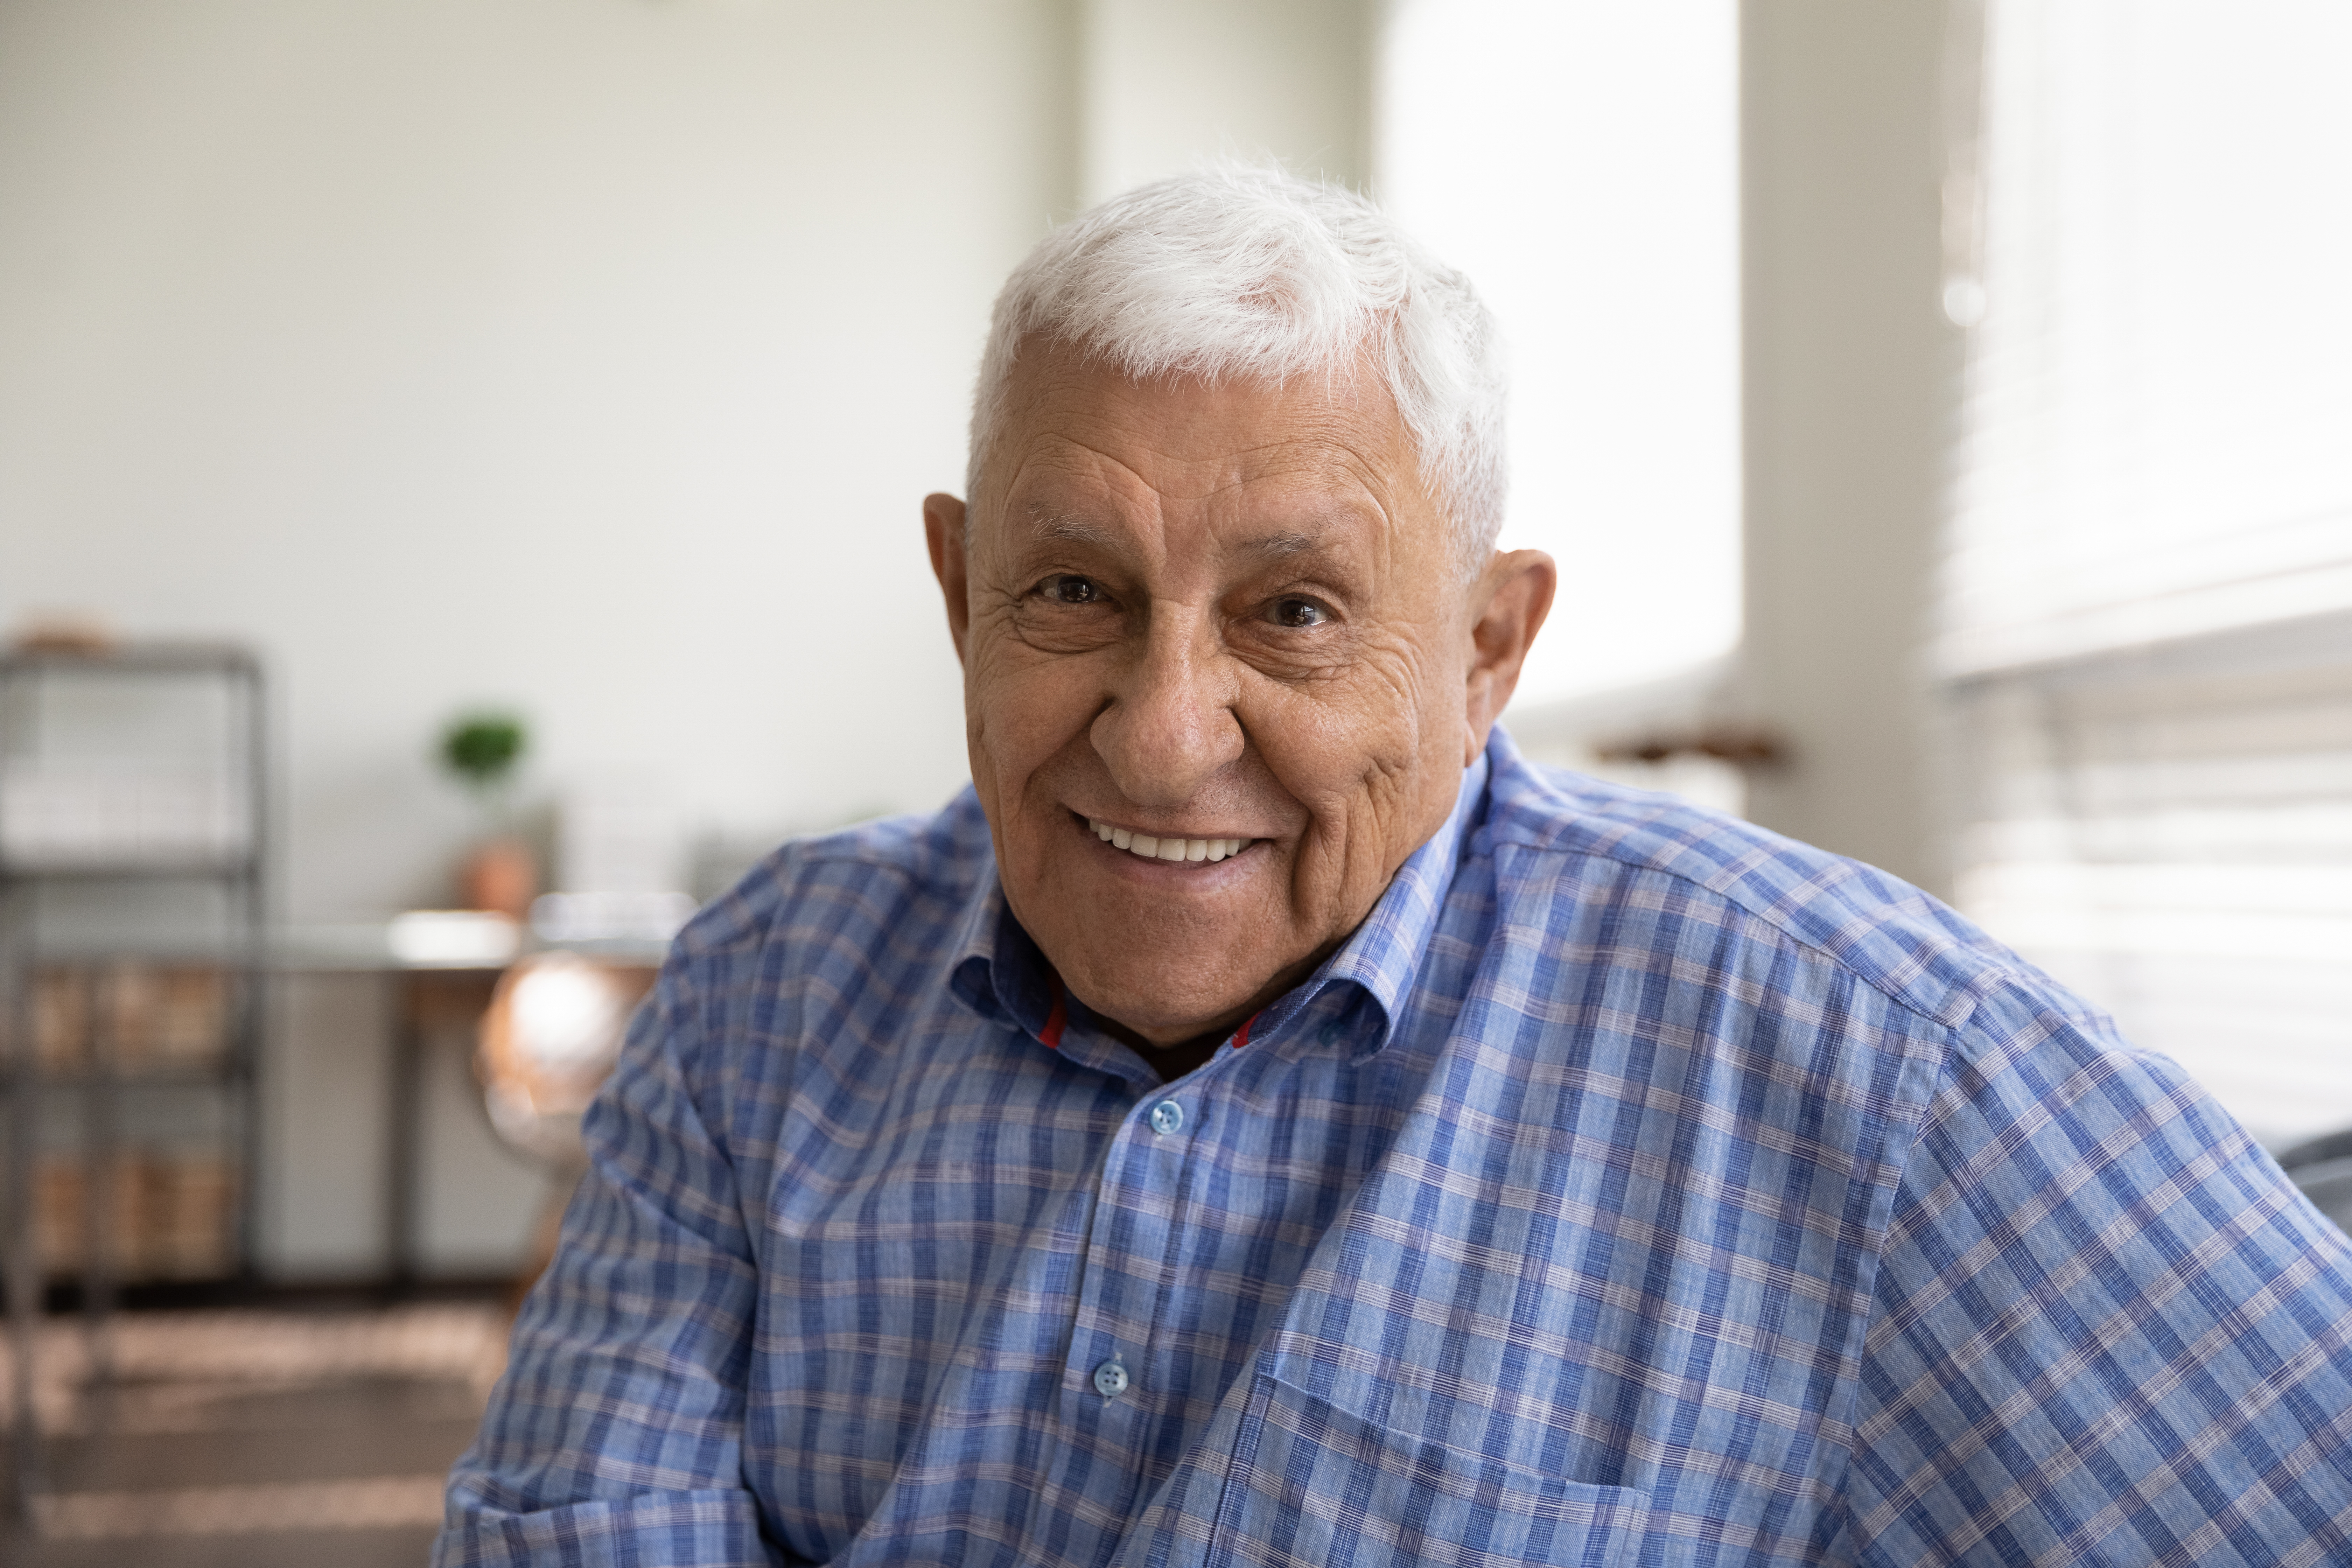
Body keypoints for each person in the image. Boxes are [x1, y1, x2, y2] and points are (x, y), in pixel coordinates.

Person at [437, 167, 2352, 1567]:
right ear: (961, 596)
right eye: (1078, 591)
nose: (1165, 728)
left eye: (1291, 613)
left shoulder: (1891, 1077)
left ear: (1488, 653)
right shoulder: (763, 992)